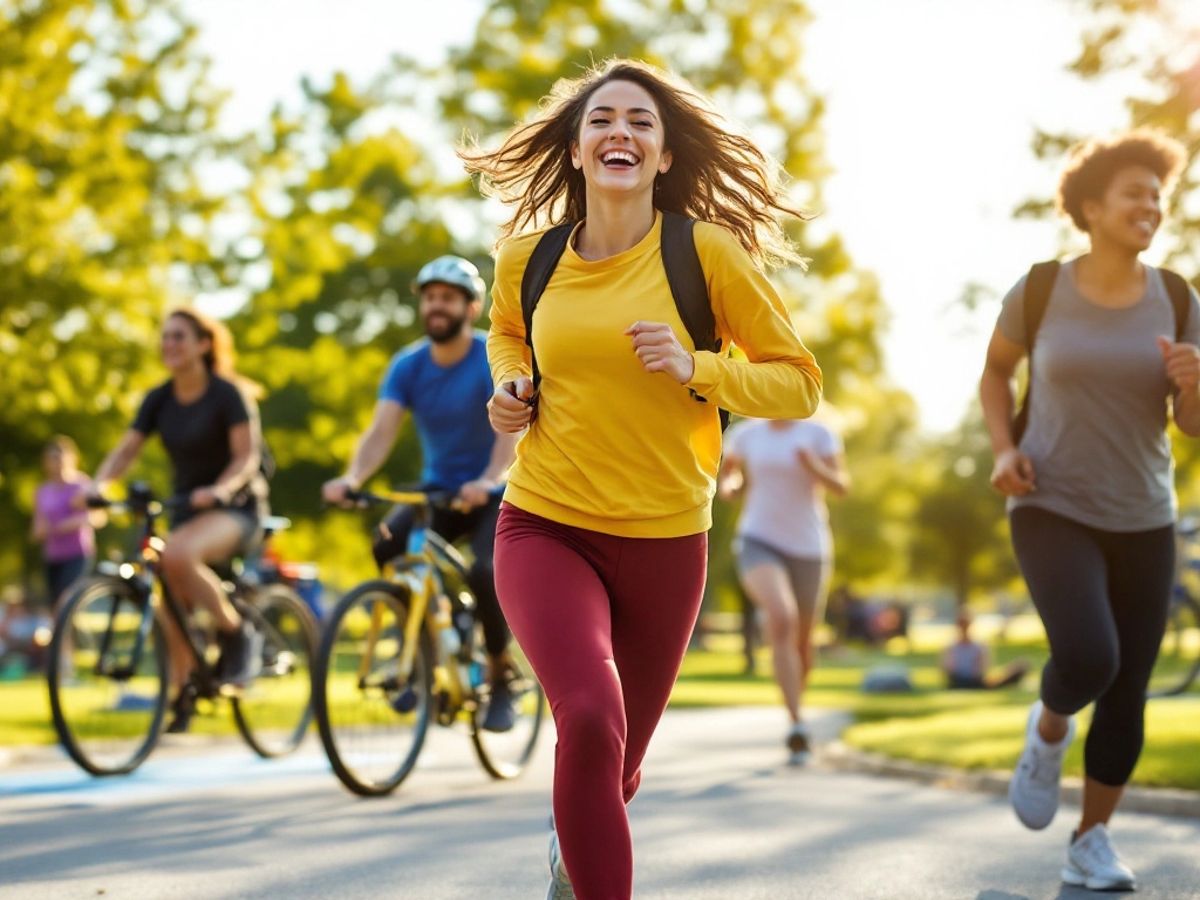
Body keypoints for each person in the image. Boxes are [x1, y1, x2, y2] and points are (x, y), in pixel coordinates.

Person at [461, 58, 823, 900]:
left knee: (616, 766)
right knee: (590, 718)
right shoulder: (527, 258)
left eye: (640, 122)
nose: (618, 131)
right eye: (601, 119)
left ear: (664, 155)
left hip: (666, 537)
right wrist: (511, 386)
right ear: (577, 148)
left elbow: (800, 384)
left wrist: (700, 367)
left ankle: (574, 852)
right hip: (546, 523)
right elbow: (507, 332)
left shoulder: (705, 254)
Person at [979, 129, 1198, 893]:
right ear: (1093, 208)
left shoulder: (1177, 298)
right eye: (1135, 193)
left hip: (1144, 514)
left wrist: (1196, 381)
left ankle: (1091, 840)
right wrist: (1003, 450)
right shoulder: (1041, 289)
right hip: (1051, 501)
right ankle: (1048, 731)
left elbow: (1191, 425)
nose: (1151, 206)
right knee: (1089, 657)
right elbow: (996, 374)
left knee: (1129, 687)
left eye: (1158, 196)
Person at [322, 254, 520, 732]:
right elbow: (380, 432)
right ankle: (420, 650)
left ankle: (501, 675)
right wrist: (353, 478)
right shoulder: (407, 366)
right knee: (389, 543)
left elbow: (510, 429)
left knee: (484, 571)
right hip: (438, 491)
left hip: (493, 490)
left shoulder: (489, 357)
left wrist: (488, 479)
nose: (436, 306)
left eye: (447, 298)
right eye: (429, 297)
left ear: (470, 308)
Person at [90, 307, 268, 731]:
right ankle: (182, 692)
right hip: (187, 510)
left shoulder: (227, 394)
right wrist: (98, 486)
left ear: (204, 345)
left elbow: (246, 457)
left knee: (177, 555)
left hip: (236, 508)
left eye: (179, 336)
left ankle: (237, 632)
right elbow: (126, 450)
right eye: (165, 336)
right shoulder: (159, 398)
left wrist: (221, 489)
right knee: (169, 598)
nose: (169, 344)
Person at [718, 415, 848, 765]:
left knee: (803, 643)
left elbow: (841, 486)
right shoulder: (746, 433)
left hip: (809, 547)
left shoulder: (818, 433)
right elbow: (730, 472)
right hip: (758, 540)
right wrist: (730, 486)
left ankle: (795, 708)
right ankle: (796, 724)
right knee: (782, 616)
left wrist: (814, 466)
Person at [32, 436, 99, 610]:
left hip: (77, 553)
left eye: (60, 457)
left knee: (66, 600)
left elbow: (98, 517)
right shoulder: (43, 491)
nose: (57, 463)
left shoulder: (81, 485)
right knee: (54, 605)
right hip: (53, 555)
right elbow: (37, 527)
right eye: (52, 458)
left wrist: (69, 524)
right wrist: (42, 530)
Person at [940, 609, 1029, 690]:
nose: (963, 627)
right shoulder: (951, 647)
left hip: (975, 680)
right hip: (959, 680)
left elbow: (983, 668)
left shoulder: (979, 646)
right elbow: (947, 668)